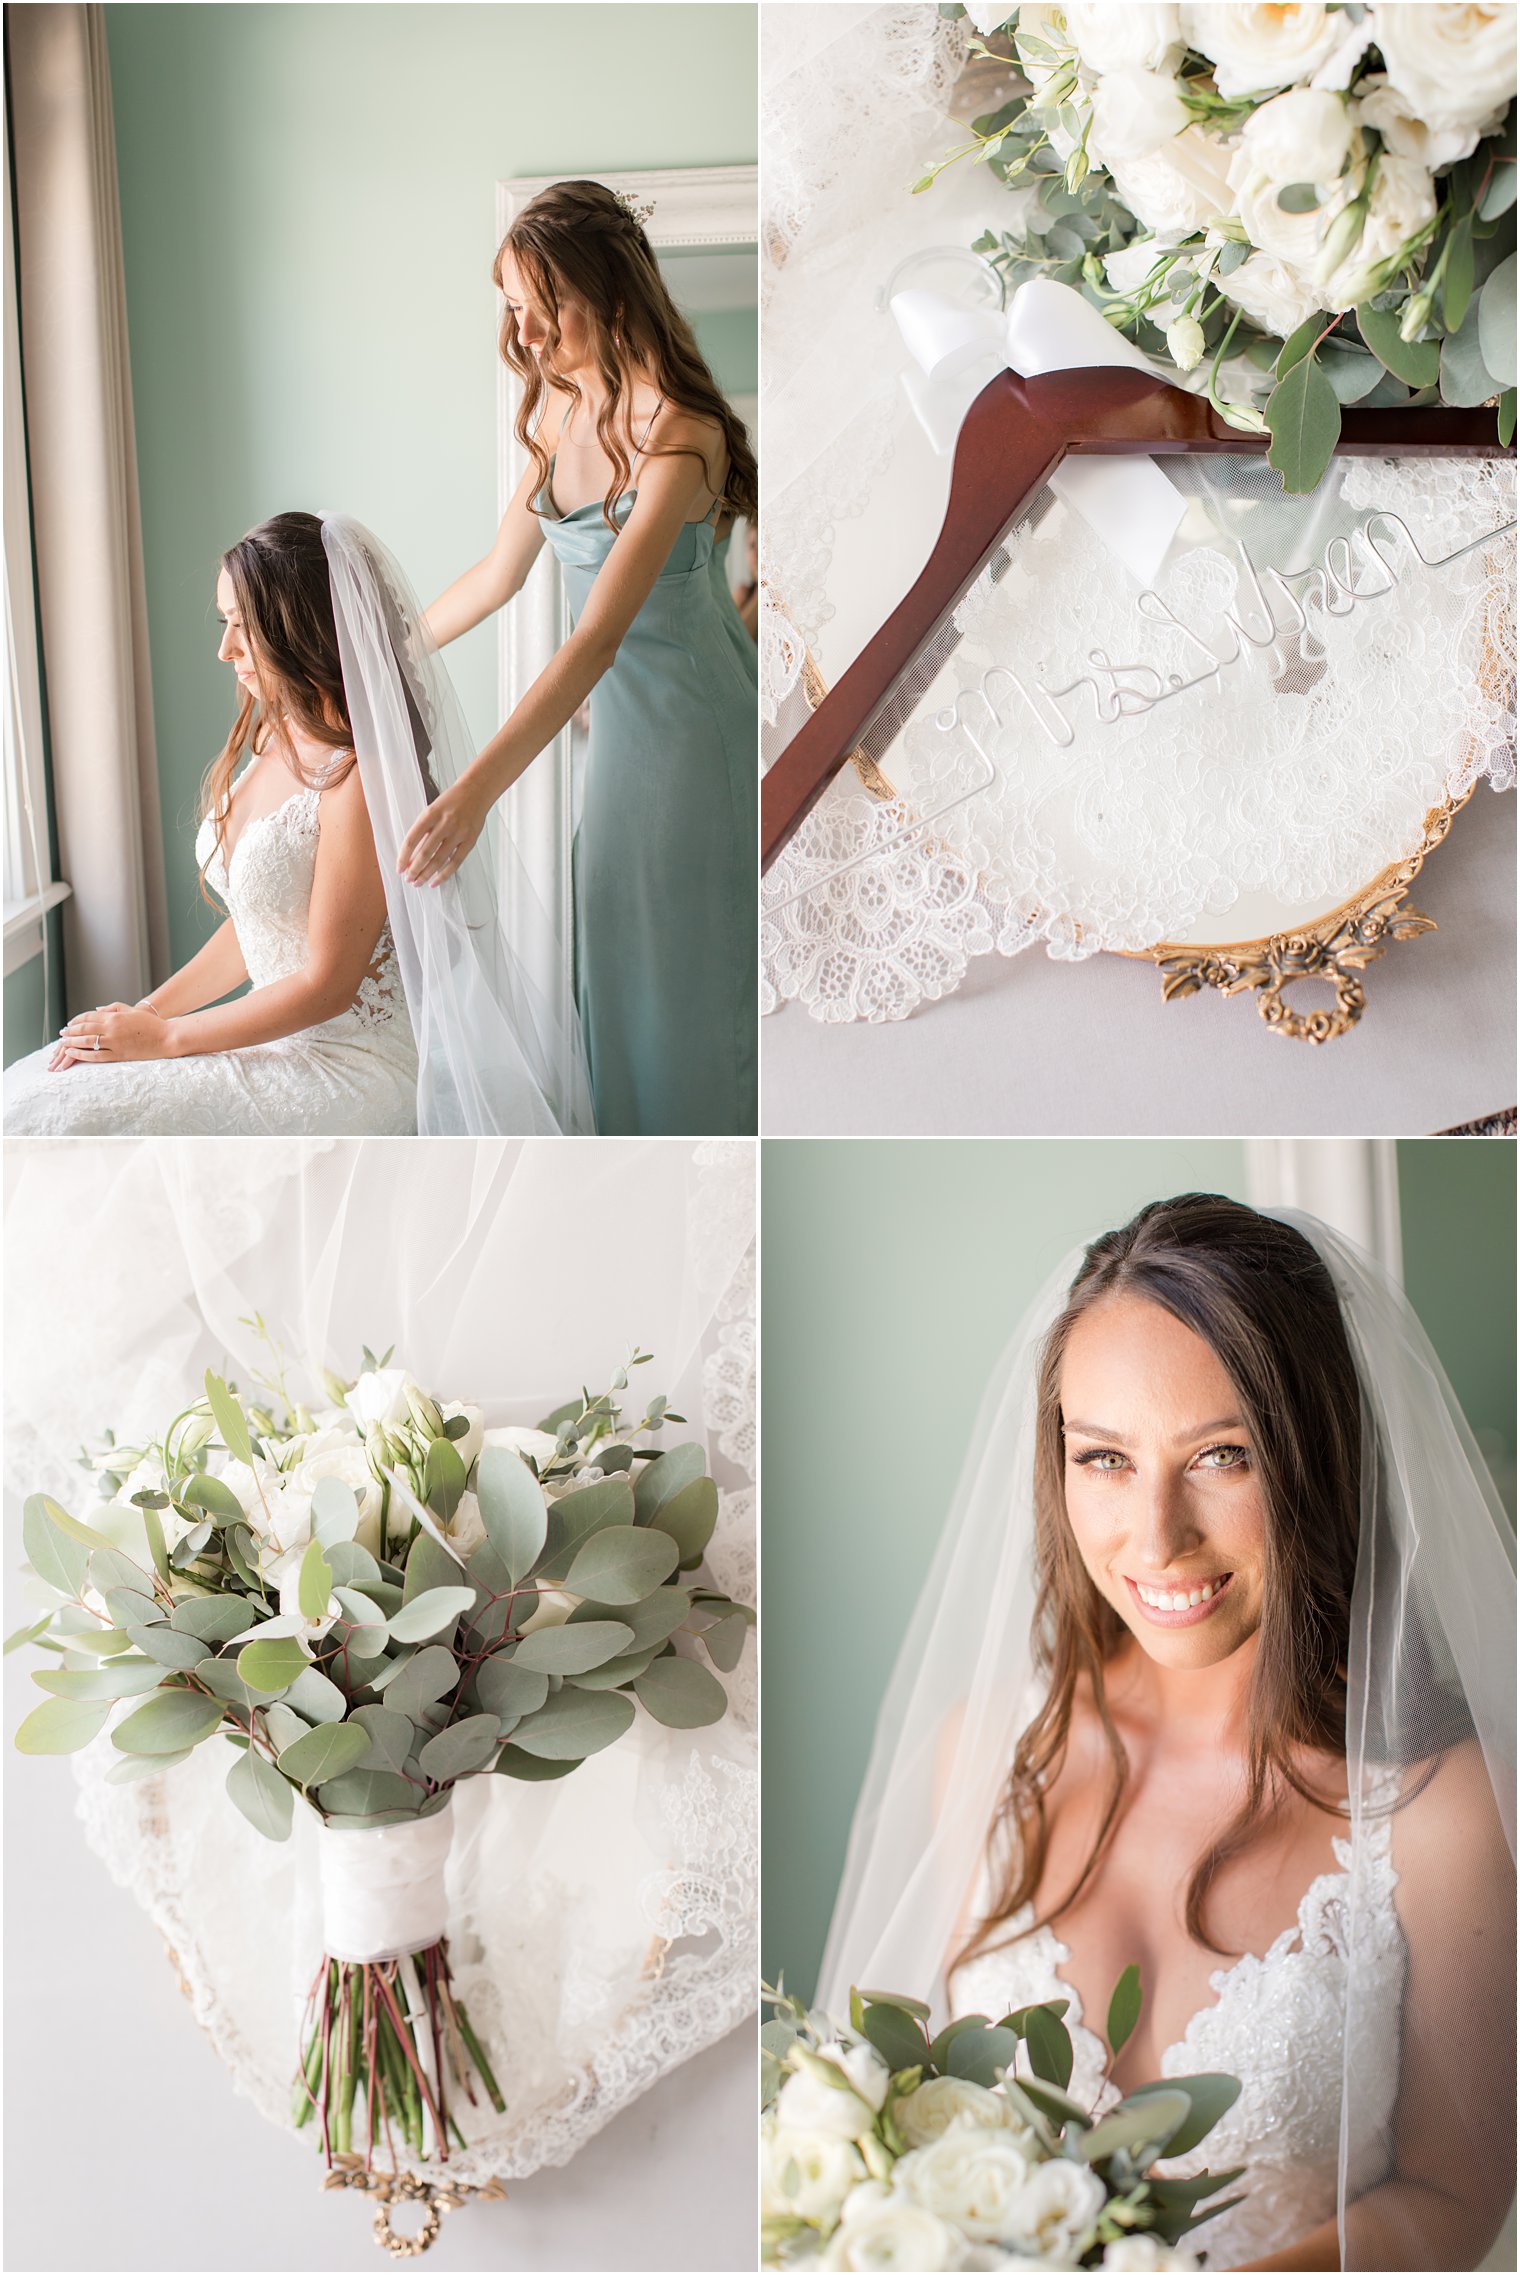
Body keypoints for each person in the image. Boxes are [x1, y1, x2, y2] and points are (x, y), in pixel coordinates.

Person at [820, 1196, 1515, 2271]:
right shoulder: (989, 1750)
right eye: (1103, 1458)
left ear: (1314, 1458)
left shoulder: (1440, 1807)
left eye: (1221, 1456)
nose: (1155, 1536)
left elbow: (1451, 2195)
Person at [4, 513, 590, 1138]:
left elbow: (328, 985)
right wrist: (145, 1013)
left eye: (242, 627)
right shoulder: (273, 735)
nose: (223, 649)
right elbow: (256, 928)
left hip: (346, 1066)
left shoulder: (359, 775)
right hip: (275, 1041)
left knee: (55, 1122)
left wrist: (168, 1037)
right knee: (34, 1092)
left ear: (297, 632)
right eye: (224, 622)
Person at [402, 179, 758, 1137]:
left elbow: (598, 639)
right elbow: (493, 576)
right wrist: (388, 653)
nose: (522, 336)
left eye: (538, 308)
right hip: (618, 756)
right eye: (512, 312)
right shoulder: (561, 414)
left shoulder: (683, 436)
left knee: (686, 993)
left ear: (604, 292)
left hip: (692, 746)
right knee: (613, 973)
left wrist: (475, 794)